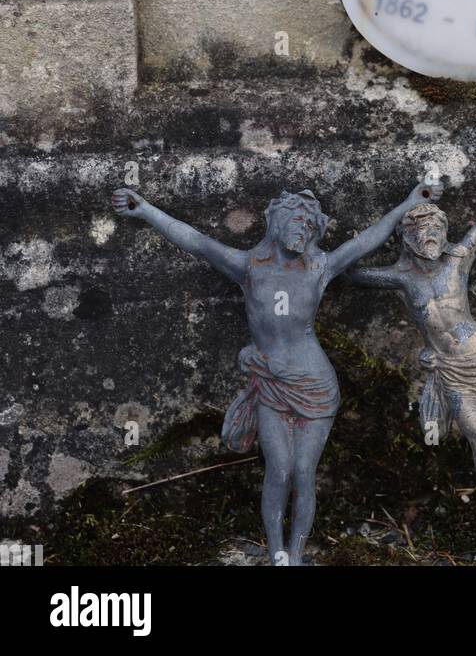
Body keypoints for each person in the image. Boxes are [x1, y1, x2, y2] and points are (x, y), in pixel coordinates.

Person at [111, 178, 438, 566]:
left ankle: (296, 554)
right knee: (278, 469)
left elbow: (366, 241)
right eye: (295, 222)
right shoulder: (249, 266)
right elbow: (195, 241)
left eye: (309, 226)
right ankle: (276, 549)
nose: (302, 230)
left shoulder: (319, 266)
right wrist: (145, 209)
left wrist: (407, 202)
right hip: (269, 384)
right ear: (276, 225)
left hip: (315, 385)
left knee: (303, 472)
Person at [344, 144, 476, 558]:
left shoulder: (458, 260)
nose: (432, 237)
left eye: (437, 228)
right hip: (451, 372)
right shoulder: (400, 279)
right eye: (421, 231)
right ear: (407, 238)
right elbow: (343, 270)